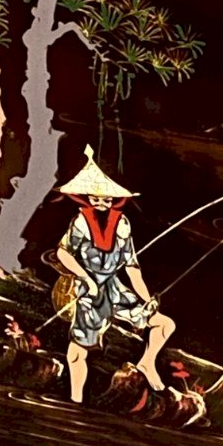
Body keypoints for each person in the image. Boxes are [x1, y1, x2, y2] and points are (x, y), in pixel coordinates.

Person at [53, 145, 175, 404]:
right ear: (87, 198)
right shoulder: (80, 222)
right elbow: (63, 254)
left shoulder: (123, 224)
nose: (101, 204)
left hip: (114, 288)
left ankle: (147, 363)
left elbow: (132, 268)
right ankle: (76, 400)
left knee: (164, 324)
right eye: (95, 199)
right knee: (78, 350)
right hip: (88, 292)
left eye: (106, 200)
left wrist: (146, 300)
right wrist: (86, 279)